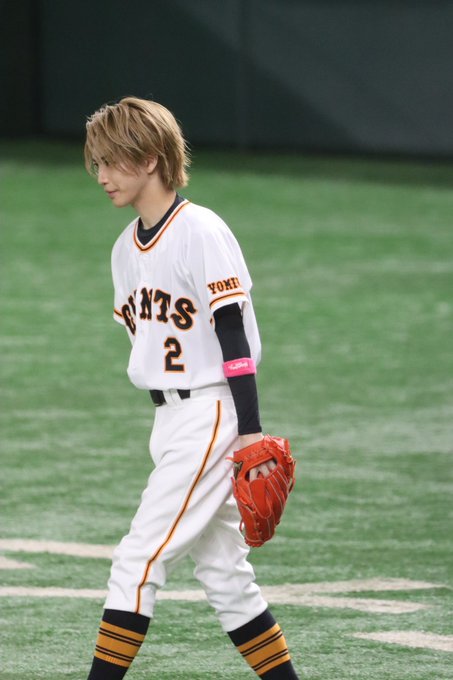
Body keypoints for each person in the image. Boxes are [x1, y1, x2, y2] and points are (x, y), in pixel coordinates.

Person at [84, 96, 299, 679]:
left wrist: (249, 430)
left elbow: (232, 334)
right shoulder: (124, 250)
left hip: (210, 414)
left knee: (137, 562)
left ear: (150, 158)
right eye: (97, 163)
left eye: (112, 161)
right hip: (169, 421)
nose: (101, 175)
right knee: (226, 576)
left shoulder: (200, 230)